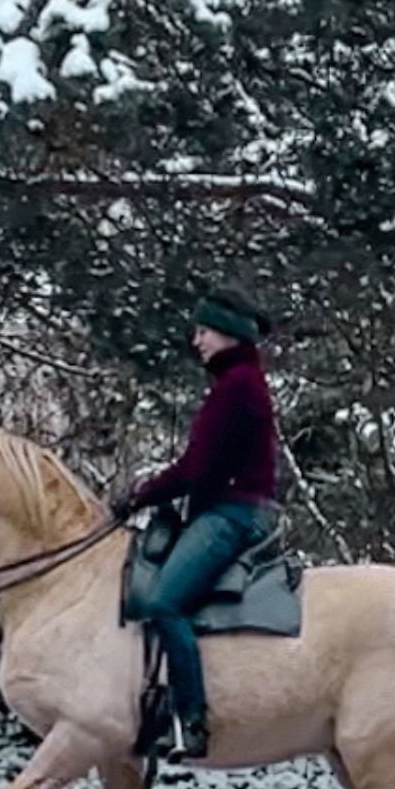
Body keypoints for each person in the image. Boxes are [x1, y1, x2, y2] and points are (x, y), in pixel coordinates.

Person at [112, 284, 280, 761]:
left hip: (233, 514)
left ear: (229, 335)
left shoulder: (238, 387)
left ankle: (191, 721)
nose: (196, 340)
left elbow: (197, 469)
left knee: (165, 601)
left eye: (204, 331)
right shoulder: (236, 383)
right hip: (226, 507)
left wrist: (139, 497)